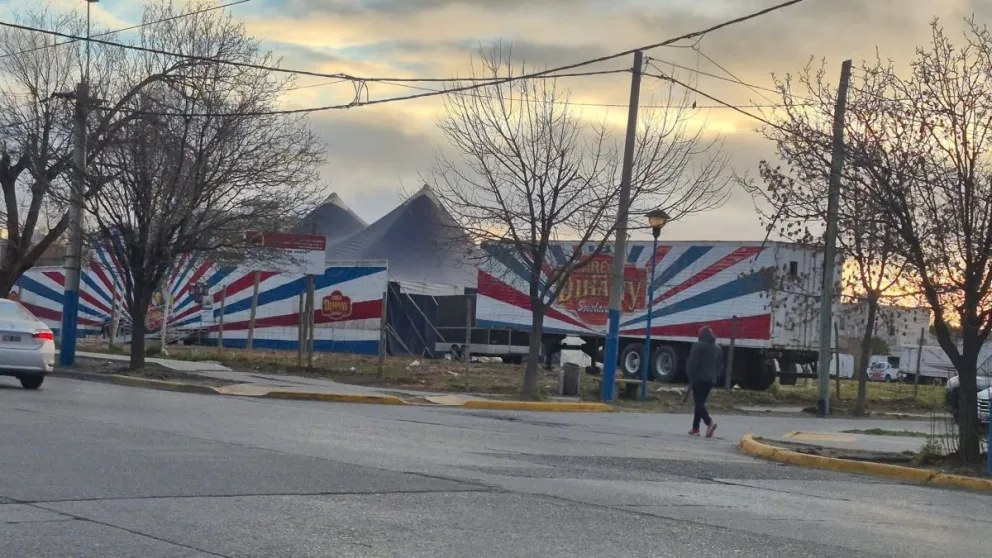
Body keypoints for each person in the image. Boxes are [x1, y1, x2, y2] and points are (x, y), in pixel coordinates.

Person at [686, 326, 722, 437]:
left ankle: (709, 422)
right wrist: (715, 376)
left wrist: (691, 376)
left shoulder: (698, 346)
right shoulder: (718, 348)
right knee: (700, 403)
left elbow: (692, 363)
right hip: (711, 379)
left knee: (698, 403)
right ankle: (695, 428)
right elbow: (720, 365)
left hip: (699, 378)